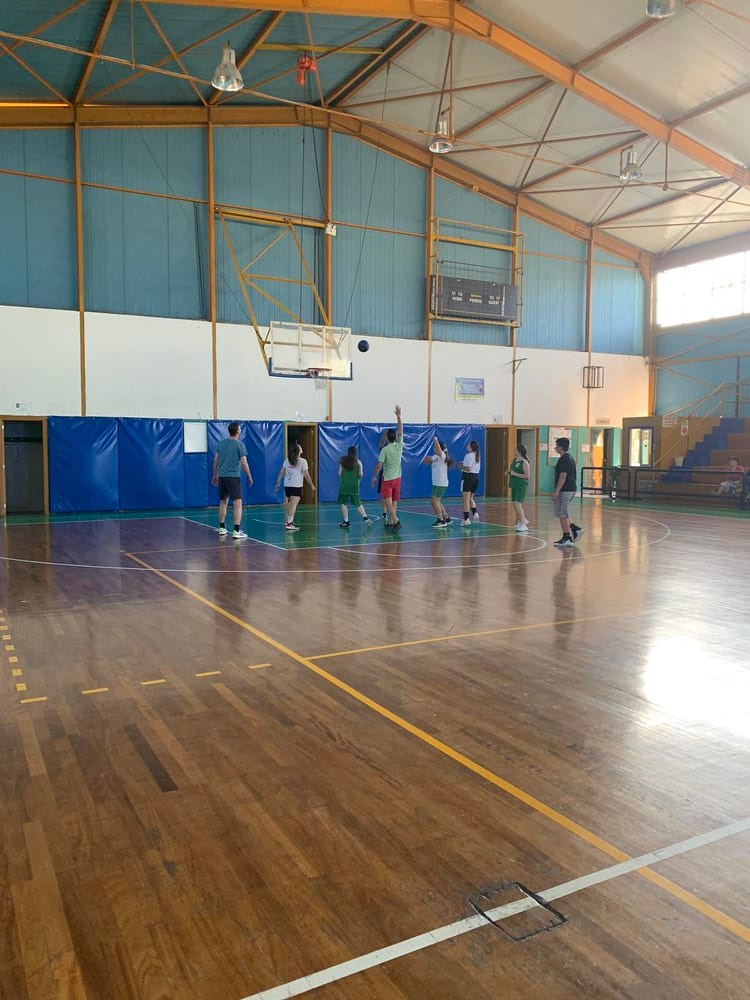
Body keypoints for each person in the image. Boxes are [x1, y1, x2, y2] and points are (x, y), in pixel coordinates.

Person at [212, 422, 253, 540]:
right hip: (233, 478)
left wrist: (215, 475)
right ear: (238, 431)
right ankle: (236, 531)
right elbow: (244, 463)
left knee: (223, 501)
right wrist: (249, 476)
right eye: (240, 429)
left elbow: (216, 461)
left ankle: (221, 528)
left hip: (222, 477)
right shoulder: (240, 444)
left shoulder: (221, 444)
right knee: (238, 504)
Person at [371, 405, 403, 533]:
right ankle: (391, 522)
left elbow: (379, 465)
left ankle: (396, 520)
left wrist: (374, 476)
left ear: (386, 438)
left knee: (387, 501)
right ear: (395, 437)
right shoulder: (399, 446)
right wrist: (399, 416)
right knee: (394, 500)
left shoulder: (384, 450)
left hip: (388, 478)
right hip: (398, 478)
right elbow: (400, 429)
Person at [274, 442, 315, 531]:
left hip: (287, 485)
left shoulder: (287, 460)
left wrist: (278, 483)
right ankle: (290, 523)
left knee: (290, 503)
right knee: (293, 504)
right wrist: (311, 485)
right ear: (299, 451)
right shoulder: (303, 461)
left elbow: (281, 472)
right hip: (296, 485)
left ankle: (288, 521)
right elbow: (306, 475)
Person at [552, 437, 583, 547]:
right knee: (563, 510)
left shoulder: (564, 459)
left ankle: (567, 537)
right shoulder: (569, 457)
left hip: (565, 489)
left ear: (561, 447)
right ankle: (575, 528)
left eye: (556, 446)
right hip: (570, 488)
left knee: (562, 513)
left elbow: (563, 476)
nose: (555, 448)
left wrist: (556, 491)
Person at [338, 446, 376, 528]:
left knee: (344, 503)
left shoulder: (342, 461)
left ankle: (346, 521)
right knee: (357, 503)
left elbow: (340, 473)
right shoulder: (358, 462)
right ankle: (365, 518)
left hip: (344, 485)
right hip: (354, 485)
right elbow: (361, 474)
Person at [422, 437, 453, 527]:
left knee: (434, 501)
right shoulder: (436, 457)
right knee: (437, 502)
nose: (434, 448)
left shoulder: (443, 456)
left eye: (435, 447)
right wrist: (428, 459)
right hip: (437, 483)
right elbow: (424, 461)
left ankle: (441, 520)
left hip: (441, 483)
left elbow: (439, 450)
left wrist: (435, 440)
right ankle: (446, 518)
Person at [509, 444, 531, 531]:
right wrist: (509, 473)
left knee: (518, 504)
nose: (514, 451)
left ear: (519, 452)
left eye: (515, 450)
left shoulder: (525, 462)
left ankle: (523, 524)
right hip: (514, 484)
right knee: (515, 504)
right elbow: (513, 471)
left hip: (521, 486)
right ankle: (520, 521)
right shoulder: (515, 460)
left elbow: (527, 476)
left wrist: (515, 474)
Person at [459, 440, 481, 527]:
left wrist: (461, 466)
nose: (467, 445)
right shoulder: (477, 456)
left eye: (468, 445)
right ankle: (475, 513)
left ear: (471, 447)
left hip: (468, 477)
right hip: (476, 478)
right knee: (470, 498)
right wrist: (463, 464)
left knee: (465, 499)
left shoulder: (468, 455)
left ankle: (466, 519)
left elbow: (468, 469)